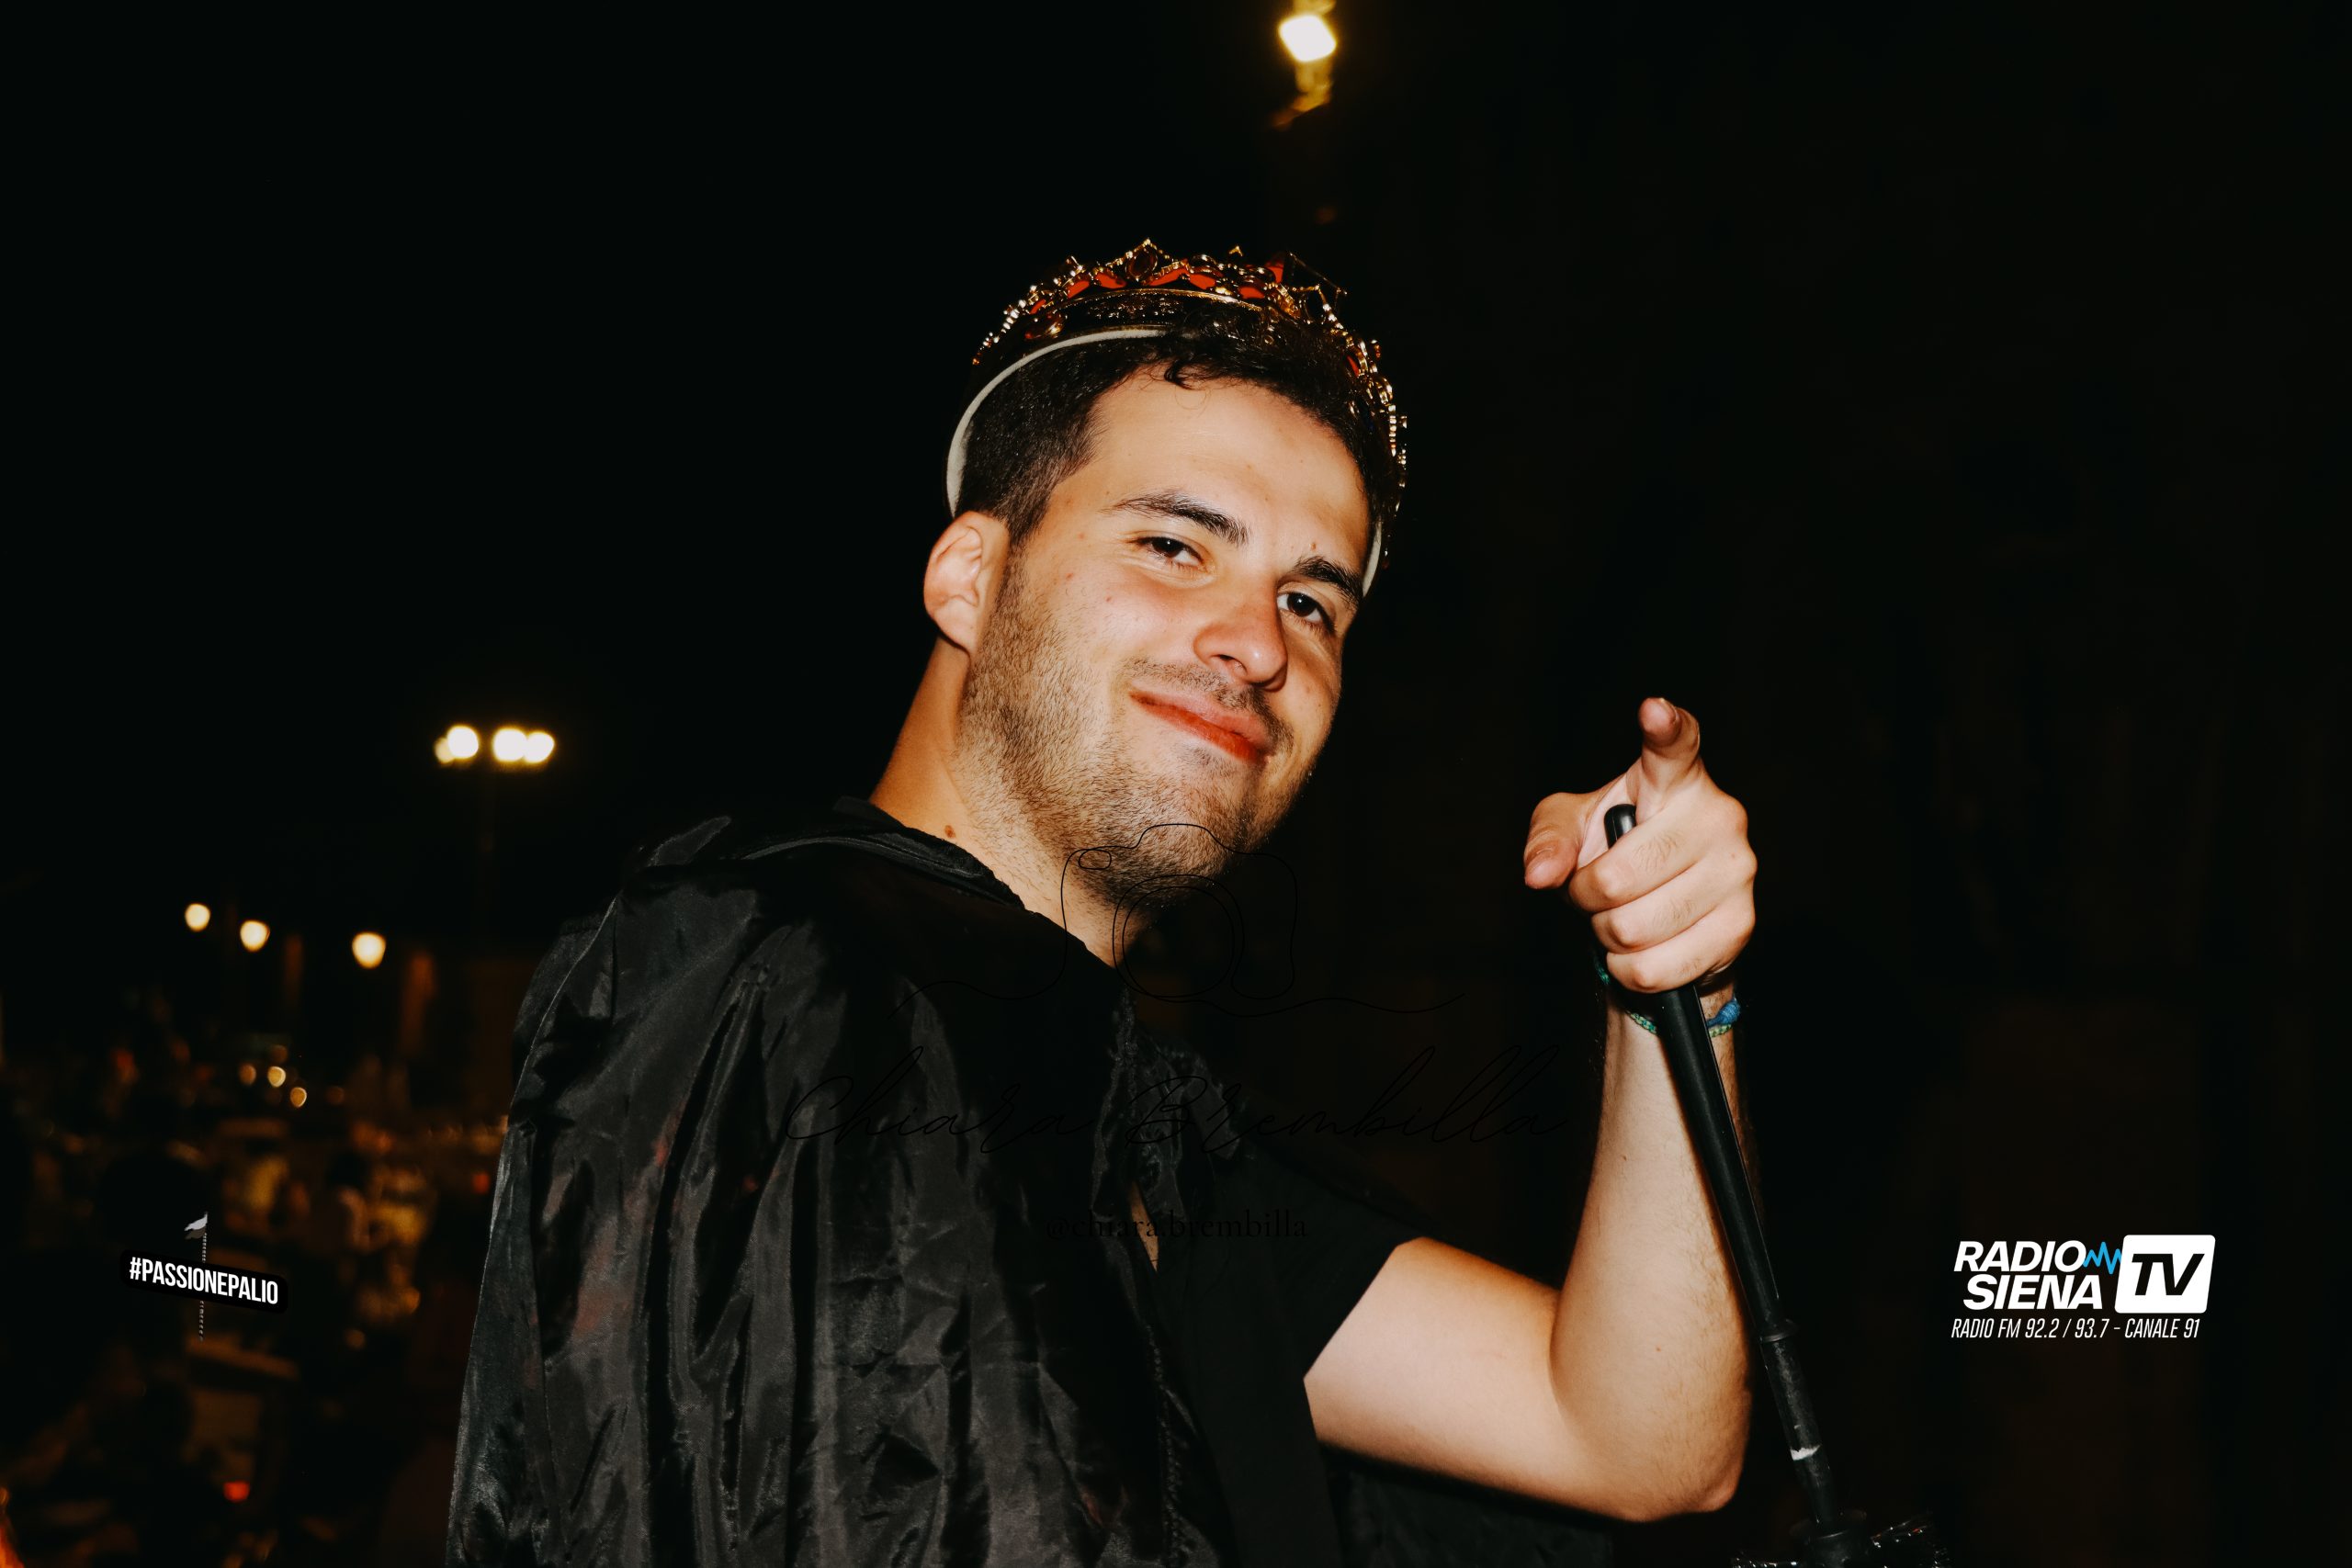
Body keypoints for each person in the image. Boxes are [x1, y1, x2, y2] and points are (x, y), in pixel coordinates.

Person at [447, 240, 1760, 1567]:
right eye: (1175, 545)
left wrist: (1674, 984)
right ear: (970, 578)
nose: (1259, 644)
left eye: (1312, 602)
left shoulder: (1151, 1140)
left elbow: (1640, 1439)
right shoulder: (783, 973)